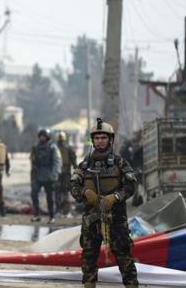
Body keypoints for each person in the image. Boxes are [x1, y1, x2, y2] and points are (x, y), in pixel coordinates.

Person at [70, 118, 138, 288]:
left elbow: (131, 185)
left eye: (103, 138)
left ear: (111, 140)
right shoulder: (84, 165)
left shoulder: (120, 163)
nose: (100, 141)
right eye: (97, 138)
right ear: (92, 140)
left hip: (116, 219)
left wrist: (115, 197)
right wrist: (85, 192)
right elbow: (73, 186)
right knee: (88, 259)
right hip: (91, 220)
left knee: (124, 258)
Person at [29, 128, 61, 224]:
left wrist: (56, 173)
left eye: (44, 136)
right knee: (34, 194)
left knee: (50, 197)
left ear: (47, 137)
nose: (42, 138)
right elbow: (32, 159)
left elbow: (57, 161)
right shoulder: (35, 147)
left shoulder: (52, 147)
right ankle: (37, 215)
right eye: (40, 136)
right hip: (38, 174)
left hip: (49, 174)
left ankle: (52, 216)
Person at [55, 131, 77, 217]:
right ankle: (63, 210)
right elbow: (73, 159)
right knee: (62, 192)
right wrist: (75, 167)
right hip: (63, 173)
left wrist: (75, 168)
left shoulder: (56, 147)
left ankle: (62, 210)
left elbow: (73, 159)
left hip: (63, 173)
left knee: (61, 192)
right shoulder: (58, 148)